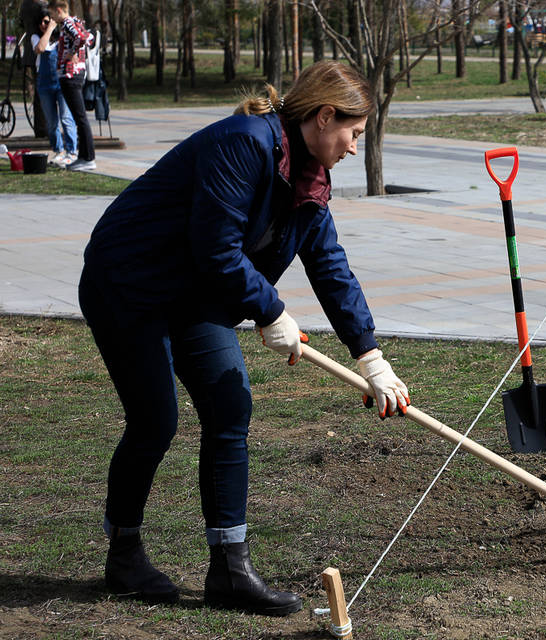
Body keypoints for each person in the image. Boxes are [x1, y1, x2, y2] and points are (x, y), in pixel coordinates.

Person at [78, 61, 410, 615]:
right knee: (155, 420)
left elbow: (330, 266)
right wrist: (272, 311)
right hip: (129, 283)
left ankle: (229, 570)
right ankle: (124, 555)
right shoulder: (243, 144)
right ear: (325, 117)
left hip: (195, 294)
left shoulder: (310, 179)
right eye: (354, 133)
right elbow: (216, 249)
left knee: (230, 407)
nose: (354, 147)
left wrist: (370, 356)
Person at [48, 0, 95, 171]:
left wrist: (73, 53)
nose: (51, 18)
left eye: (52, 14)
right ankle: (84, 156)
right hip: (75, 74)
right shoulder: (75, 22)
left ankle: (88, 157)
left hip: (70, 74)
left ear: (59, 10)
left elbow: (82, 38)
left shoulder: (68, 23)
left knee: (80, 118)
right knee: (79, 118)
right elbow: (90, 37)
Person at [32, 9, 78, 168]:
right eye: (43, 22)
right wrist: (49, 29)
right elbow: (40, 49)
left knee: (66, 117)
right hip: (44, 86)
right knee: (51, 122)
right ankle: (58, 150)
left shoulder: (62, 39)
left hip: (61, 83)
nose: (46, 24)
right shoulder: (36, 38)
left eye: (48, 21)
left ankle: (72, 152)